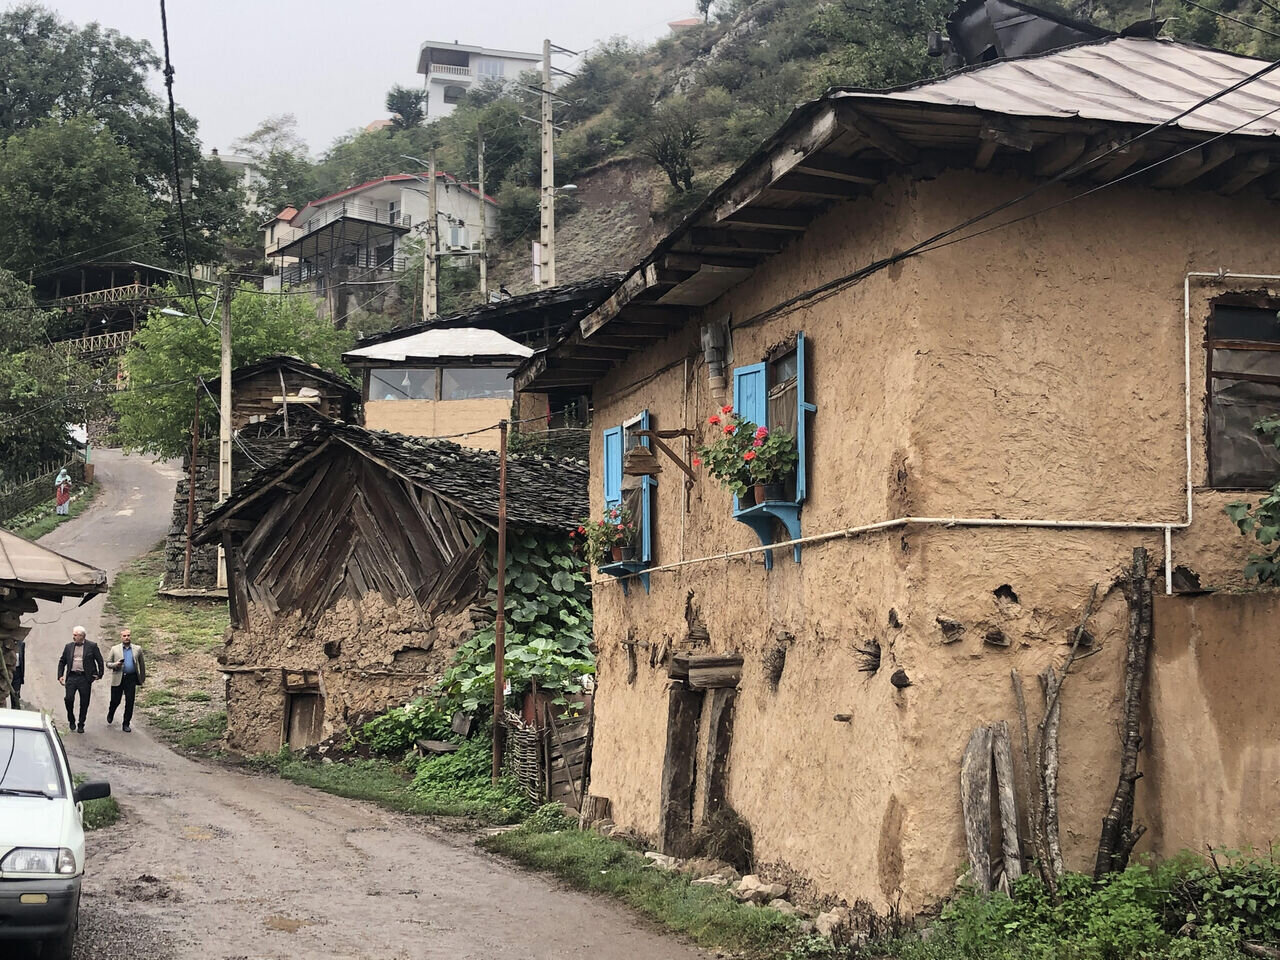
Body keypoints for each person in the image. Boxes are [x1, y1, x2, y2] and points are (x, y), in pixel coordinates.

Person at [56, 626, 103, 732]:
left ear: (82, 636)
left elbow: (99, 660)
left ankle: (81, 723)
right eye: (73, 635)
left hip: (84, 678)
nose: (73, 637)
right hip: (72, 676)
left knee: (84, 702)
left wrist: (99, 674)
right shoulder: (68, 647)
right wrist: (60, 675)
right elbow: (62, 661)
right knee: (68, 698)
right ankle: (71, 718)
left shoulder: (92, 646)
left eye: (76, 635)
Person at [105, 628, 145, 732]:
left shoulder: (137, 649)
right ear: (121, 637)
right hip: (118, 677)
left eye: (128, 635)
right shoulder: (115, 649)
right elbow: (108, 663)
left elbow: (142, 664)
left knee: (130, 701)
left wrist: (142, 678)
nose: (127, 638)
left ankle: (126, 723)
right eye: (124, 636)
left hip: (131, 678)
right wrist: (116, 664)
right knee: (115, 700)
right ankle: (111, 712)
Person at [8, 637, 23, 709]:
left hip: (17, 672)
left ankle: (16, 709)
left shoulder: (21, 644)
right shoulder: (6, 643)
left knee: (15, 695)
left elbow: (22, 661)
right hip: (8, 670)